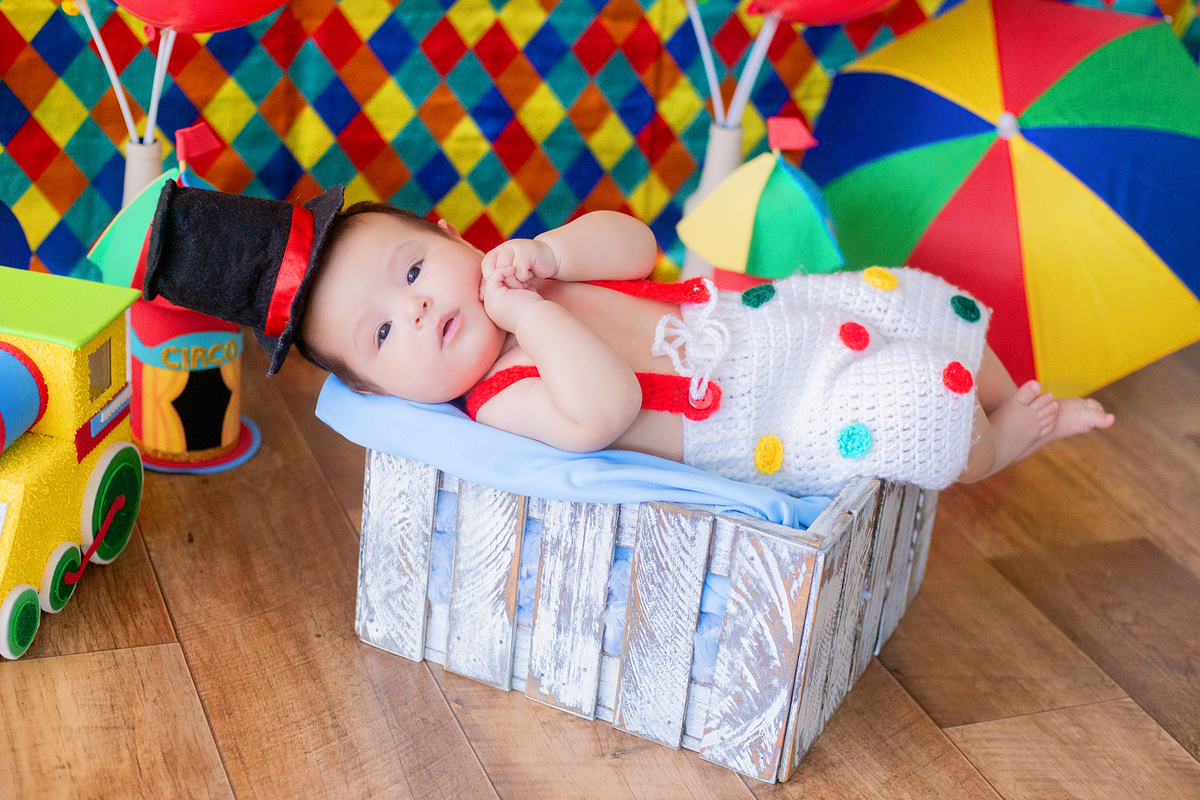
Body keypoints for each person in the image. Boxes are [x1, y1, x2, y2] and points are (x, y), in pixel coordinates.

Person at [296, 200, 1114, 497]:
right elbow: (605, 405)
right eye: (382, 333)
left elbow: (635, 246)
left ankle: (1008, 392)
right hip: (772, 420)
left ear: (451, 237)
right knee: (910, 402)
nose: (417, 305)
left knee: (920, 301)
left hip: (770, 319)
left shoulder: (532, 267)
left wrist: (553, 256)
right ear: (387, 391)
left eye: (413, 268)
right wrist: (533, 317)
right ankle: (991, 447)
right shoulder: (502, 393)